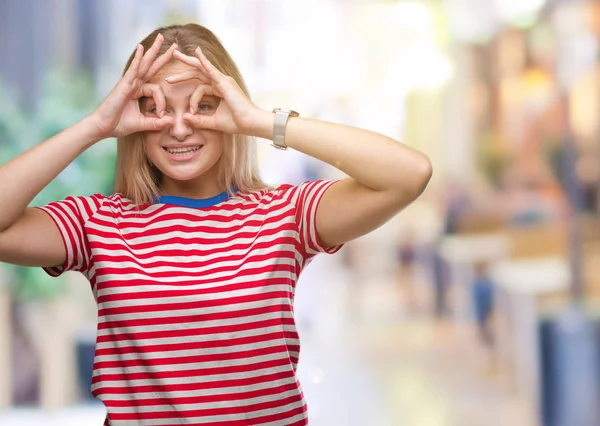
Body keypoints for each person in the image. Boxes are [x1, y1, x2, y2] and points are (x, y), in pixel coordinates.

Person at [0, 23, 432, 426]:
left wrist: (260, 121)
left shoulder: (283, 214)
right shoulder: (97, 222)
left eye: (203, 106)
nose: (181, 127)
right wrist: (96, 126)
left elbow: (409, 174)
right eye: (157, 109)